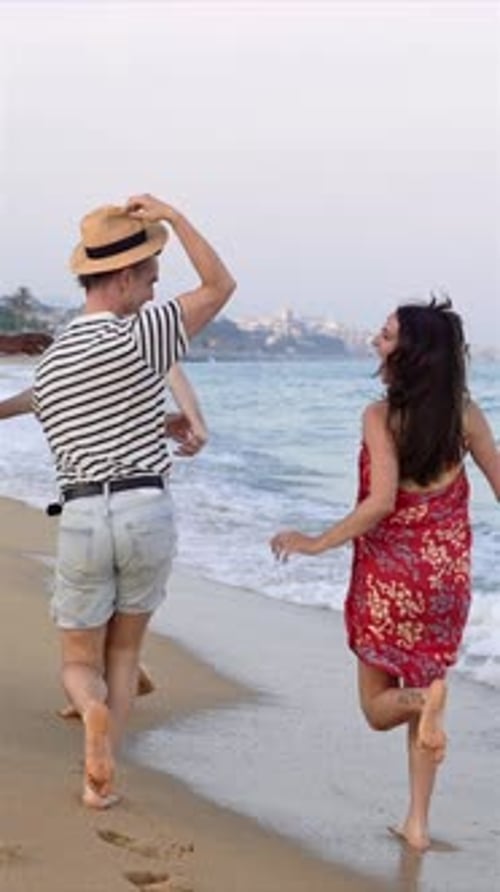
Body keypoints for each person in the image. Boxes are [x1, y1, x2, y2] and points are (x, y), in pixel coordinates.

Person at [15, 193, 235, 809]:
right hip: (146, 510)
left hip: (83, 514)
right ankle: (101, 773)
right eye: (149, 277)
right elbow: (220, 283)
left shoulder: (57, 360)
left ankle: (90, 713)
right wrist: (176, 213)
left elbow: (75, 414)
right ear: (121, 276)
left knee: (78, 661)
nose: (153, 289)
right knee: (127, 652)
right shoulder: (145, 333)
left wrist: (164, 423)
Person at [270, 298, 500, 852]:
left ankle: (423, 706)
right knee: (428, 684)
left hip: (389, 578)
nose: (376, 340)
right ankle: (417, 824)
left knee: (379, 709)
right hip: (445, 579)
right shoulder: (465, 413)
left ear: (411, 353)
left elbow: (379, 505)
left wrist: (315, 541)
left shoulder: (381, 416)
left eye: (387, 334)